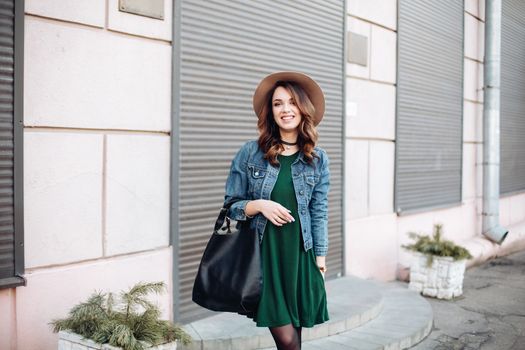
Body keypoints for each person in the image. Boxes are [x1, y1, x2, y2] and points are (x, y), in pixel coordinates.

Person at [224, 71, 330, 350]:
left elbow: (319, 211)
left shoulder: (317, 159)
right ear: (270, 112)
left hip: (300, 255)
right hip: (266, 256)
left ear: (303, 108)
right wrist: (260, 205)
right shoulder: (250, 153)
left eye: (292, 102)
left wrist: (320, 260)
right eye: (278, 103)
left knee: (295, 339)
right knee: (289, 344)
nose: (286, 109)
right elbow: (230, 207)